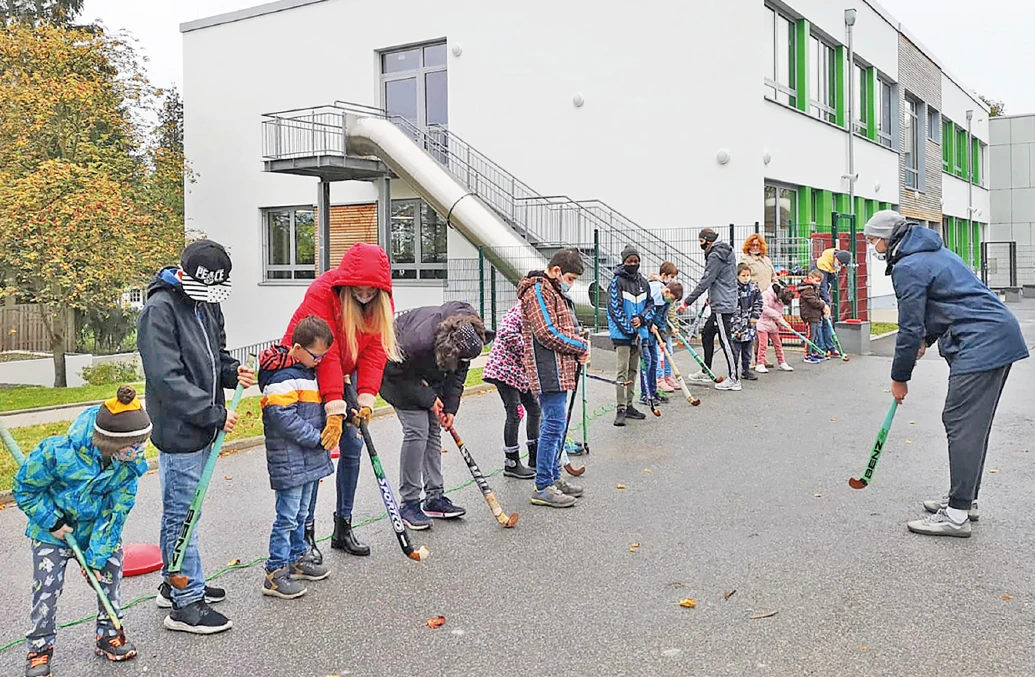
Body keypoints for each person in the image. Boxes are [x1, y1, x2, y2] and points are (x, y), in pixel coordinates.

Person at [863, 210, 1029, 537]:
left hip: (982, 341)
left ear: (888, 238)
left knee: (960, 423)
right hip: (994, 335)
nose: (872, 246)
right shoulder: (932, 253)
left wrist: (900, 376)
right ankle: (965, 499)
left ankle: (956, 516)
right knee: (971, 425)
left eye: (872, 239)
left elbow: (909, 327)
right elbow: (947, 305)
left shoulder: (909, 266)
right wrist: (927, 339)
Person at [137, 240, 254, 634]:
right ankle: (185, 605)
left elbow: (213, 354)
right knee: (182, 512)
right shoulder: (159, 310)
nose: (208, 298)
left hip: (204, 424)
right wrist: (212, 414)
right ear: (185, 276)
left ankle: (177, 583)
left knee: (188, 509)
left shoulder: (206, 303)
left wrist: (232, 372)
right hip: (180, 427)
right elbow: (166, 377)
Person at [14, 386, 152, 677]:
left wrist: (96, 560)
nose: (138, 453)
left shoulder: (129, 469)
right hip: (51, 532)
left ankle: (108, 635)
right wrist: (52, 522)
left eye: (142, 446)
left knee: (110, 573)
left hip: (94, 531)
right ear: (111, 444)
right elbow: (25, 490)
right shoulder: (57, 453)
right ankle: (39, 649)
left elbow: (116, 514)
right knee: (47, 587)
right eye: (132, 448)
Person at [282, 242, 398, 559]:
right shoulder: (323, 292)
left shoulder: (381, 300)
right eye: (359, 288)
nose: (364, 294)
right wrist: (335, 408)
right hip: (306, 367)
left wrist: (365, 401)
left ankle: (343, 526)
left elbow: (375, 354)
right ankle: (304, 536)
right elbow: (327, 354)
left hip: (346, 370)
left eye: (371, 290)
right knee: (317, 448)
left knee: (353, 443)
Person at [379, 302, 493, 529]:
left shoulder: (468, 332)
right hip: (396, 377)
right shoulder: (417, 342)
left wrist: (450, 408)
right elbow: (390, 370)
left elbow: (459, 373)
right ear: (447, 349)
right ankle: (409, 503)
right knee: (417, 431)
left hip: (427, 375)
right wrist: (428, 397)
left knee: (433, 431)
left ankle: (434, 497)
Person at [258, 316, 336, 599]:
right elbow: (283, 419)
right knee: (287, 517)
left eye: (323, 356)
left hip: (308, 461)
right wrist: (318, 438)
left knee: (302, 515)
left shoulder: (307, 372)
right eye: (316, 355)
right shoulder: (281, 379)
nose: (320, 361)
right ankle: (275, 572)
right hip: (290, 460)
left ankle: (297, 558)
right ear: (297, 348)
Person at [518, 248, 590, 507]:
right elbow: (547, 332)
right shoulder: (538, 291)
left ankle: (553, 476)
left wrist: (579, 342)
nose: (571, 284)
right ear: (557, 271)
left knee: (558, 425)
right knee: (552, 425)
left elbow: (564, 327)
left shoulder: (554, 291)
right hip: (546, 368)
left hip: (560, 367)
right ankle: (543, 485)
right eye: (570, 278)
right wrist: (579, 346)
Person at [482, 302, 538, 481]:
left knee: (535, 410)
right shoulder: (521, 309)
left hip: (520, 372)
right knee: (515, 413)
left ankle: (535, 457)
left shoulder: (540, 311)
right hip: (504, 369)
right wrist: (530, 349)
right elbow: (506, 333)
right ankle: (511, 462)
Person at [680, 228, 740, 391]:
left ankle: (734, 379)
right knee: (707, 333)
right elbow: (724, 278)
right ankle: (706, 370)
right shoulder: (726, 251)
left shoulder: (715, 256)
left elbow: (706, 280)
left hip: (722, 304)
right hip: (723, 299)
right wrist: (712, 296)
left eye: (701, 241)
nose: (701, 245)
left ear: (708, 240)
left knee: (725, 340)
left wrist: (686, 302)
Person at [608, 245, 653, 425]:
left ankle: (629, 404)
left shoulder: (644, 282)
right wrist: (630, 329)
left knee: (633, 371)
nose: (633, 264)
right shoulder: (616, 282)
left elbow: (651, 306)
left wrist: (642, 319)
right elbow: (614, 309)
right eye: (629, 261)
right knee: (622, 371)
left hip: (639, 334)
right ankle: (620, 408)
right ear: (624, 261)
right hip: (623, 334)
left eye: (635, 261)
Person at [741, 233, 778, 368]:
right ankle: (750, 359)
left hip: (767, 300)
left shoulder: (766, 260)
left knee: (764, 331)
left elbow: (774, 277)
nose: (755, 247)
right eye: (753, 244)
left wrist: (777, 288)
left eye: (758, 244)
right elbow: (743, 278)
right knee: (752, 330)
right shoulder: (745, 260)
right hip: (753, 299)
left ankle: (761, 358)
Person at [650, 262, 680, 393]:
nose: (672, 279)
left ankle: (667, 377)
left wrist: (664, 328)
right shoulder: (656, 290)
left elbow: (664, 314)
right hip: (652, 327)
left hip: (662, 327)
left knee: (668, 352)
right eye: (671, 276)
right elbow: (652, 310)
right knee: (658, 354)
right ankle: (659, 380)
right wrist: (652, 323)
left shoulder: (669, 294)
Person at [730, 263, 763, 381]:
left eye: (748, 275)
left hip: (749, 324)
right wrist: (736, 326)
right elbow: (731, 308)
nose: (746, 277)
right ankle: (733, 372)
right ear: (737, 275)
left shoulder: (754, 288)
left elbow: (759, 302)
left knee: (747, 349)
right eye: (743, 275)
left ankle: (746, 369)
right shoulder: (732, 289)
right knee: (735, 351)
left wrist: (755, 316)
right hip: (736, 325)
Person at [755, 282, 795, 373]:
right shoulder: (765, 295)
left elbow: (778, 315)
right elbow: (764, 309)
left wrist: (784, 324)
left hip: (773, 325)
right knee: (763, 345)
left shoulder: (780, 300)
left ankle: (782, 362)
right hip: (762, 323)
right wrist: (778, 317)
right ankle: (760, 363)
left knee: (778, 344)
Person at [798, 269, 832, 363]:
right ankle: (807, 355)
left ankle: (813, 353)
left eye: (819, 281)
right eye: (817, 281)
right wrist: (823, 305)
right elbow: (814, 302)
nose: (819, 284)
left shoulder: (813, 288)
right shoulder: (806, 289)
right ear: (810, 278)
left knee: (815, 335)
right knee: (810, 336)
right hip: (809, 316)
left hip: (815, 315)